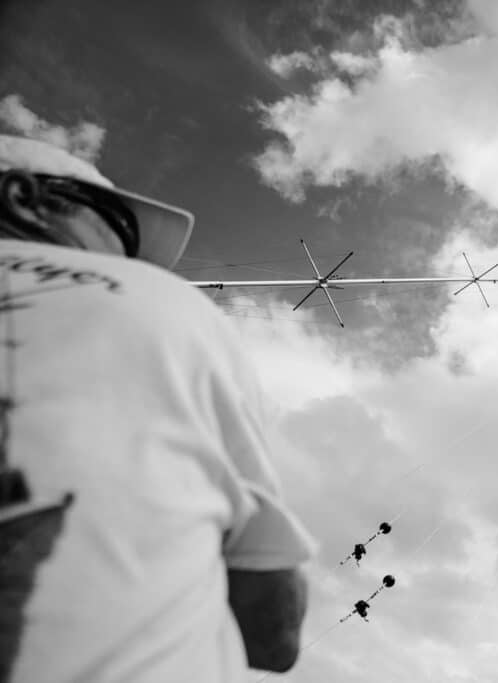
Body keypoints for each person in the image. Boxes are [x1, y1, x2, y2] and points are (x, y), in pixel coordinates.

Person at [0, 135, 317, 682]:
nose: (126, 256)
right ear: (25, 197)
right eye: (117, 227)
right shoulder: (166, 302)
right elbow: (272, 632)